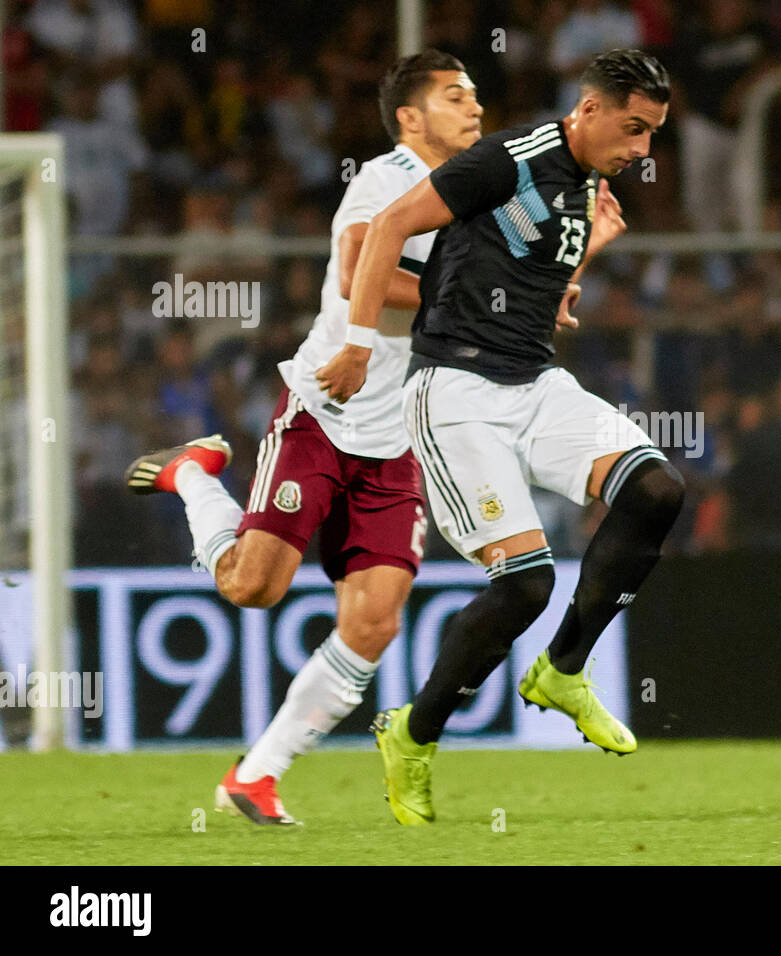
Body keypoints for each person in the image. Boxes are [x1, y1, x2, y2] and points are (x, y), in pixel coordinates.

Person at [123, 51, 495, 825]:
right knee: (253, 588)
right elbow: (365, 263)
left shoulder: (478, 196)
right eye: (455, 97)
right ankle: (193, 474)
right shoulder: (386, 181)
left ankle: (256, 776)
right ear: (409, 119)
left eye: (475, 95)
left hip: (398, 441)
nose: (475, 108)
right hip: (327, 412)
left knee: (375, 619)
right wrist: (464, 298)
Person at [318, 49, 684, 826]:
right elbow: (387, 227)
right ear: (588, 110)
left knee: (657, 488)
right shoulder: (507, 160)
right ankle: (413, 736)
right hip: (455, 393)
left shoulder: (590, 187)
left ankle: (564, 669)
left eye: (652, 134)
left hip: (535, 383)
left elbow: (528, 281)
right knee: (525, 584)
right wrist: (355, 341)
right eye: (633, 128)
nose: (643, 150)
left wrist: (585, 257)